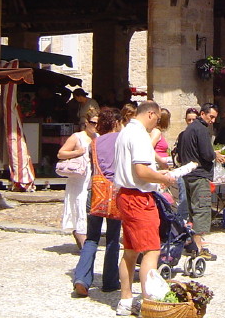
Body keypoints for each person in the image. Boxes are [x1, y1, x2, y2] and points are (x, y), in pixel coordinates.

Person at [113, 100, 176, 317]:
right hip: (138, 196)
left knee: (130, 251)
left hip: (125, 194)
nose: (156, 124)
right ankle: (149, 304)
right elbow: (141, 170)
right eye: (157, 119)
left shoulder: (124, 131)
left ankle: (126, 300)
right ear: (150, 114)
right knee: (151, 249)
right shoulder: (139, 134)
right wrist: (163, 177)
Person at [72, 107, 123, 297]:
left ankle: (82, 278)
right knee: (112, 238)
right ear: (116, 123)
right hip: (115, 192)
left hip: (95, 192)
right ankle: (110, 281)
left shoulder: (94, 142)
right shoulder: (121, 139)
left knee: (92, 237)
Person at [177, 103, 225, 260]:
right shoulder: (202, 130)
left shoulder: (187, 131)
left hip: (188, 174)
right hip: (199, 176)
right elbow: (206, 153)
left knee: (193, 211)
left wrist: (212, 152)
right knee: (202, 210)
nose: (212, 120)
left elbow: (184, 153)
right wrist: (215, 155)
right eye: (210, 116)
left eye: (214, 118)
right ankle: (198, 248)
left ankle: (192, 244)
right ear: (203, 114)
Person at [58, 106, 99, 249]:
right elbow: (61, 154)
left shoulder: (98, 138)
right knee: (79, 205)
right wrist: (78, 152)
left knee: (89, 208)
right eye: (93, 123)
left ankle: (85, 238)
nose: (95, 126)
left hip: (92, 177)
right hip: (79, 178)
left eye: (98, 123)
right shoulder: (77, 137)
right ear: (86, 122)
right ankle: (82, 239)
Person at [173, 107, 199, 221]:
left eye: (194, 119)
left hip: (197, 172)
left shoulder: (201, 134)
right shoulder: (182, 135)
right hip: (184, 170)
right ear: (186, 120)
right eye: (189, 120)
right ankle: (182, 224)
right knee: (183, 199)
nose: (191, 122)